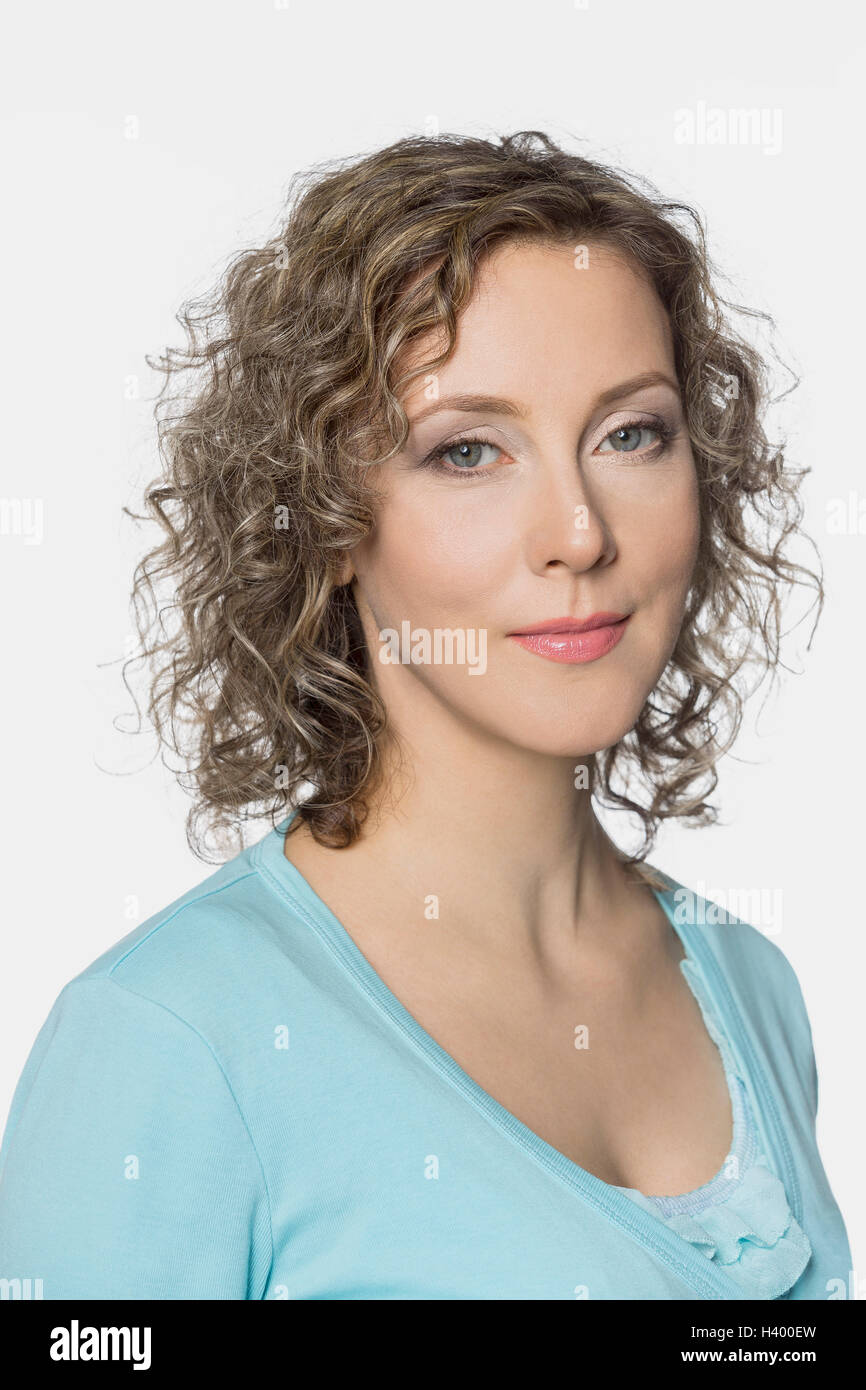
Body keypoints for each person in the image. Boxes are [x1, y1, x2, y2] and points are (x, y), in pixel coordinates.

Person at [0, 131, 851, 1299]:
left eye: (629, 434)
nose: (579, 532)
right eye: (467, 451)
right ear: (328, 516)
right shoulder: (170, 1039)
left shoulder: (748, 980)